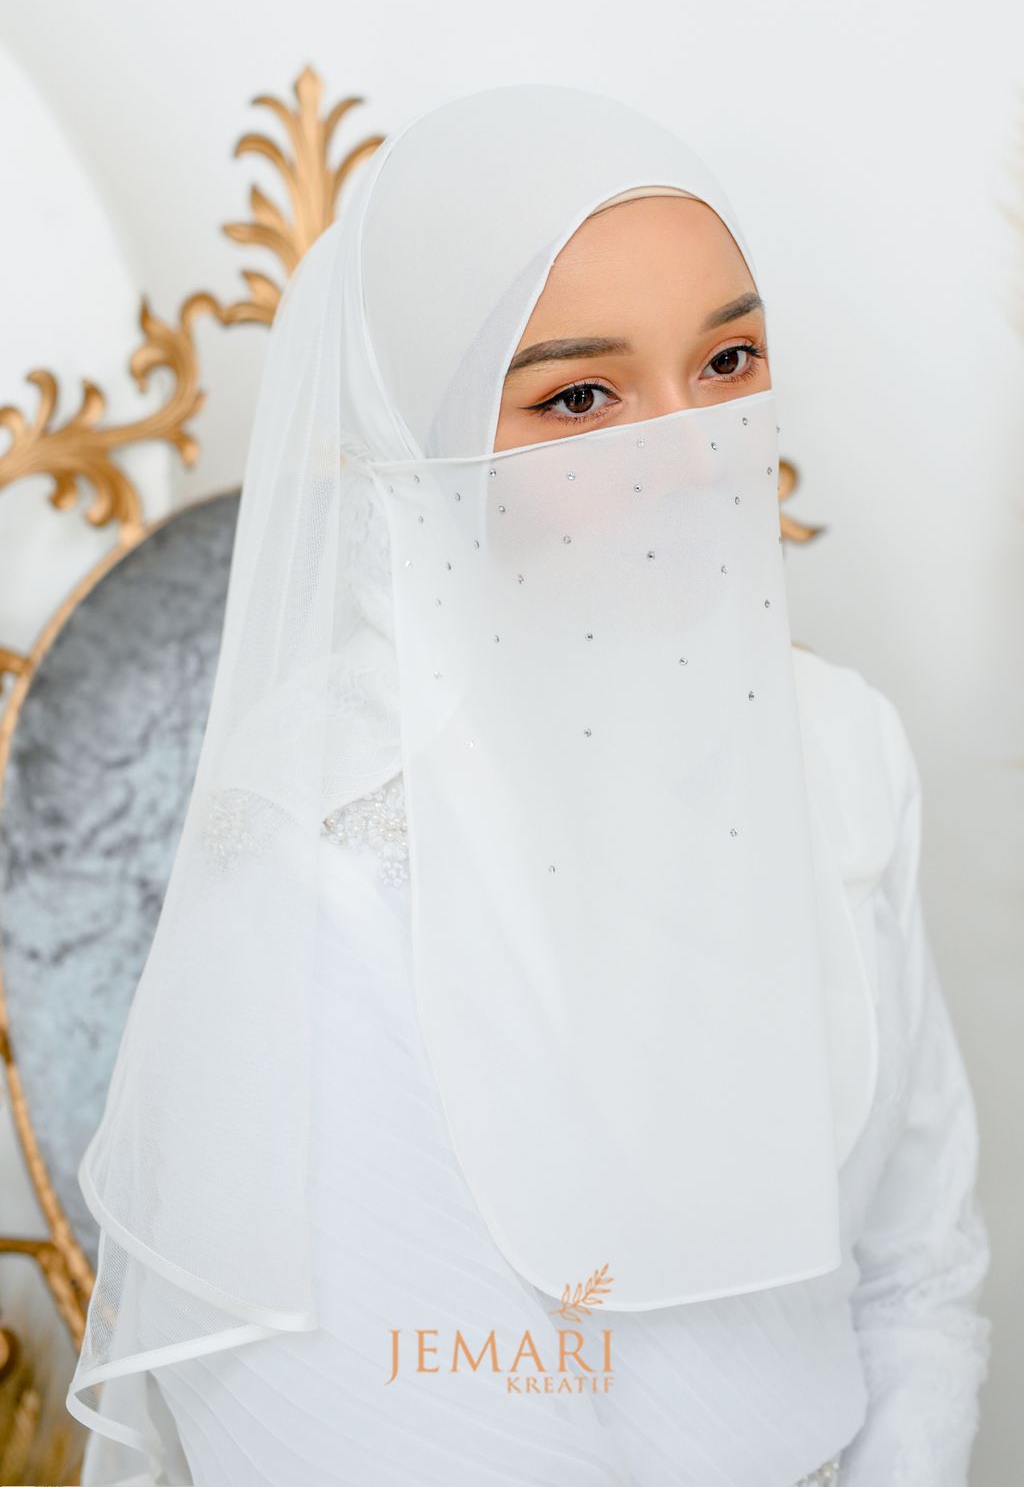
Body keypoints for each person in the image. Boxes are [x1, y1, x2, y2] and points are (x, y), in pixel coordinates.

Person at [66, 83, 992, 1487]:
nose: (694, 456)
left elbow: (920, 1280)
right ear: (430, 446)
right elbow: (376, 1426)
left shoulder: (845, 750)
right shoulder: (318, 866)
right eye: (580, 397)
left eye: (729, 361)